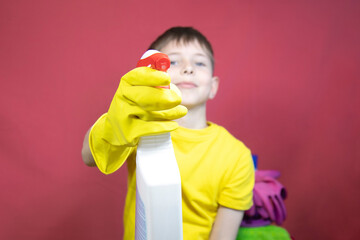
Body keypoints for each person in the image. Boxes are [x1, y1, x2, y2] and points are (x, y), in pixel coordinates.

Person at [81, 26, 255, 240]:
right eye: (172, 61)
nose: (187, 68)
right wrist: (114, 123)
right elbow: (89, 156)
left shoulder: (236, 156)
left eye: (199, 62)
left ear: (213, 86)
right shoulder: (139, 128)